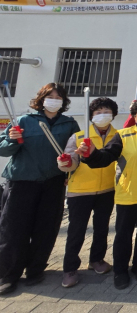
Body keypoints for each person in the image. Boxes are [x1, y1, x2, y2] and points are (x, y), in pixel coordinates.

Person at [0, 83, 80, 295]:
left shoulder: (69, 124)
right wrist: (12, 140)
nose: (54, 100)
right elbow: (4, 149)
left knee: (46, 228)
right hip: (22, 181)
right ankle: (8, 274)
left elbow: (75, 153)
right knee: (13, 229)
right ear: (41, 99)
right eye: (50, 96)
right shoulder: (24, 120)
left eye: (58, 97)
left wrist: (69, 171)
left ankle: (35, 270)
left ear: (63, 101)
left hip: (53, 182)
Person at [78, 97, 137, 290]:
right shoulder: (123, 135)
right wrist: (91, 154)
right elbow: (106, 157)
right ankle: (120, 270)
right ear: (134, 115)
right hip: (128, 194)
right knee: (124, 235)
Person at [58, 97, 119, 288]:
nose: (103, 115)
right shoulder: (79, 136)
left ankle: (97, 259)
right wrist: (65, 163)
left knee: (102, 228)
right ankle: (70, 268)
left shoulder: (118, 136)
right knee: (76, 230)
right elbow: (70, 162)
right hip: (80, 191)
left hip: (107, 190)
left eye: (107, 112)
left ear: (113, 115)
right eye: (98, 112)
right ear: (91, 116)